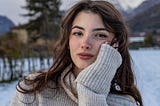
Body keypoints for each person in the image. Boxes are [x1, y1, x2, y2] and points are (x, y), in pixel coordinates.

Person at [11, 0, 143, 106]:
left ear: (116, 45)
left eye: (100, 35)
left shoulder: (125, 103)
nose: (85, 44)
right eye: (78, 33)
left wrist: (92, 91)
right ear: (68, 40)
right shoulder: (33, 90)